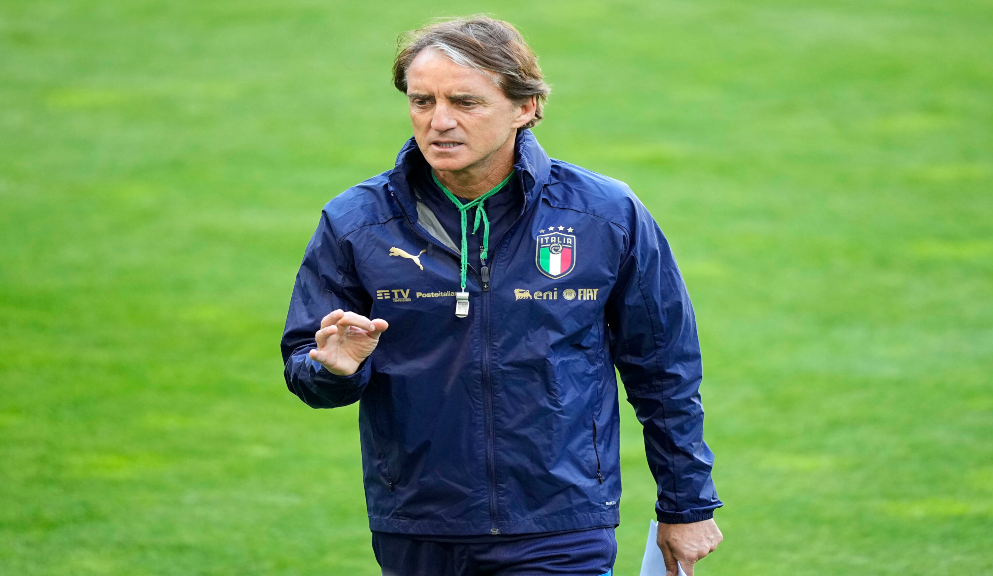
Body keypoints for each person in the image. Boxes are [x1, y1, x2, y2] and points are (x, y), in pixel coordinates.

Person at [282, 15, 722, 576]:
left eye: (465, 102)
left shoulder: (604, 216)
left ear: (525, 107)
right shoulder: (357, 223)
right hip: (419, 524)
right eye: (422, 101)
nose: (439, 121)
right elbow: (306, 367)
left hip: (561, 524)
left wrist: (686, 505)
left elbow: (663, 369)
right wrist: (332, 368)